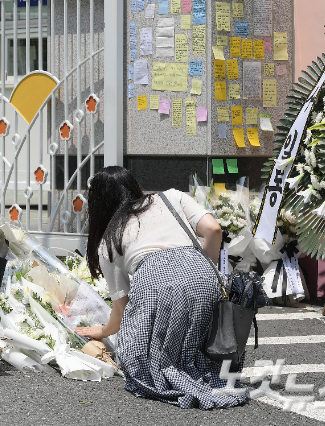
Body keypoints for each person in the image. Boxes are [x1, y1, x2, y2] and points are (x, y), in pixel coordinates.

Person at [75, 166, 247, 409]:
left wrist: (102, 332)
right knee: (197, 319)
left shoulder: (109, 240)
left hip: (156, 283)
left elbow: (121, 311)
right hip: (202, 271)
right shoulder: (172, 196)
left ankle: (173, 364)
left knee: (140, 350)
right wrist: (204, 270)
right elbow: (214, 230)